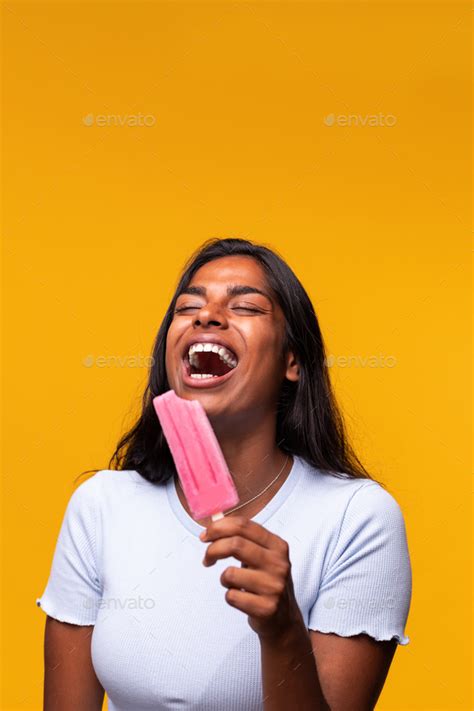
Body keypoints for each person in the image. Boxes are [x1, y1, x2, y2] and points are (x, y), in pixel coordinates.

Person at [36, 238, 412, 710]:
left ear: (292, 362)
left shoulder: (357, 517)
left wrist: (283, 631)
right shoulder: (101, 506)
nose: (206, 316)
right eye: (188, 306)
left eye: (247, 307)